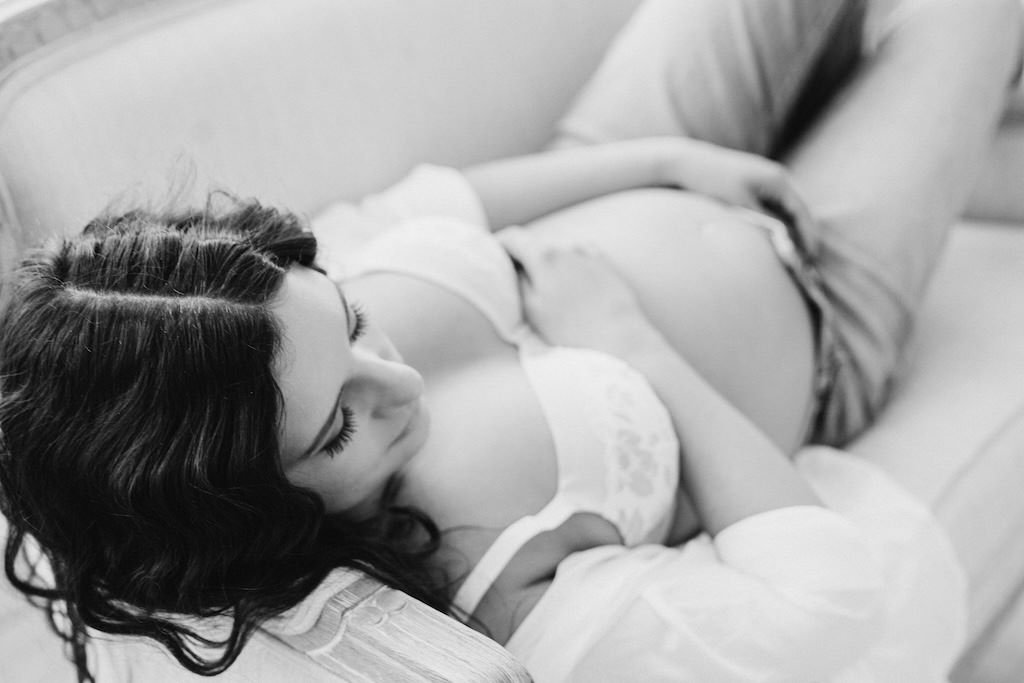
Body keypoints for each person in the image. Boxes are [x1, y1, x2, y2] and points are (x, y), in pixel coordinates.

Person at [0, 0, 1020, 681]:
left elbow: (432, 200)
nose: (393, 381)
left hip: (620, 159)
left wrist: (668, 158)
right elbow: (823, 595)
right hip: (826, 295)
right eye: (342, 424)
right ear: (260, 511)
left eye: (354, 321)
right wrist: (639, 351)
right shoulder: (488, 576)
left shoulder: (253, 337)